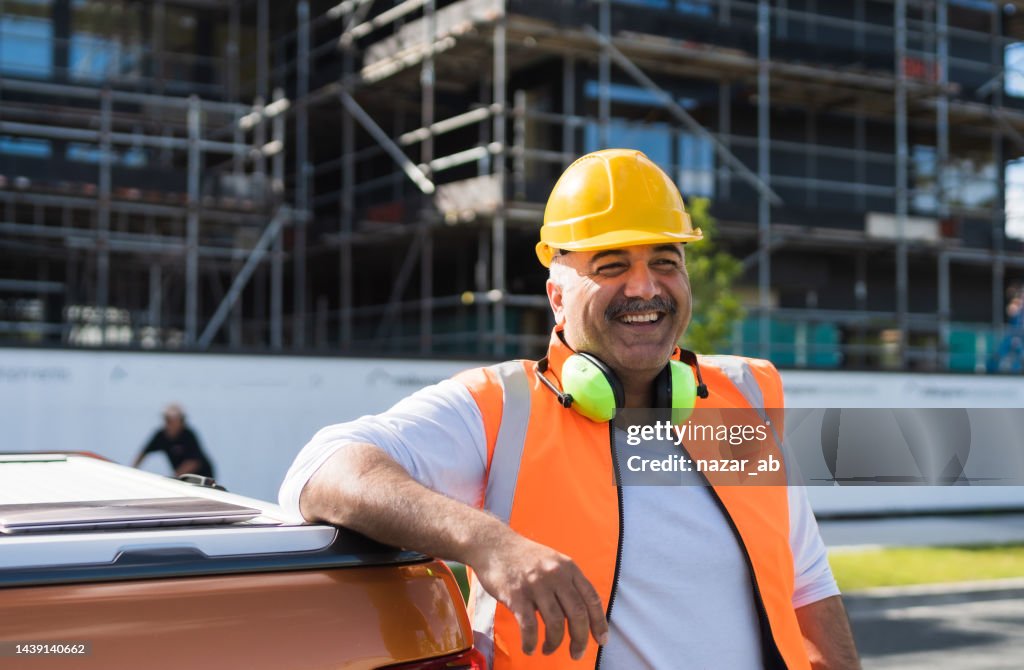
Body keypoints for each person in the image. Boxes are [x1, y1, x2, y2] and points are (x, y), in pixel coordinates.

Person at [280, 149, 860, 669]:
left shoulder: (745, 397)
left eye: (665, 261)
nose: (644, 288)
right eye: (611, 265)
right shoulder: (501, 408)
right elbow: (321, 469)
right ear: (557, 293)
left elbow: (808, 585)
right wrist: (490, 543)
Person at [133, 403, 215, 478]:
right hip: (182, 478)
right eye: (167, 419)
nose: (169, 423)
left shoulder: (188, 435)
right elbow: (143, 453)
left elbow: (194, 462)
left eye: (172, 420)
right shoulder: (161, 435)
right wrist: (132, 471)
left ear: (181, 420)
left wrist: (175, 477)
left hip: (202, 477)